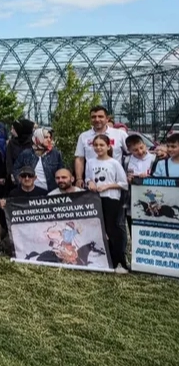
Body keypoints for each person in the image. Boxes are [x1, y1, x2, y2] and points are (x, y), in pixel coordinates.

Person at [86, 134, 129, 274]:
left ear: (108, 146)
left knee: (112, 229)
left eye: (101, 145)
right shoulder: (90, 162)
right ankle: (102, 260)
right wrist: (90, 183)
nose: (98, 148)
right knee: (98, 228)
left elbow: (123, 183)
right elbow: (88, 178)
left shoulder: (114, 163)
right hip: (96, 199)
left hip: (111, 199)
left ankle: (119, 261)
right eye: (96, 145)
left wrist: (107, 186)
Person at [74, 105, 128, 188]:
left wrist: (131, 172)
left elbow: (132, 153)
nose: (97, 119)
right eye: (93, 117)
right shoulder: (84, 136)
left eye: (100, 116)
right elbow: (79, 158)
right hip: (92, 185)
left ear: (107, 119)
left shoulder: (120, 134)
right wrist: (79, 179)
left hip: (114, 184)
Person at [13, 128, 63, 192]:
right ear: (38, 138)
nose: (49, 140)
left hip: (51, 192)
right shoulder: (26, 154)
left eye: (50, 137)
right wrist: (22, 183)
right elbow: (16, 170)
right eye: (46, 137)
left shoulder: (55, 154)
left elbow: (61, 171)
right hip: (31, 192)